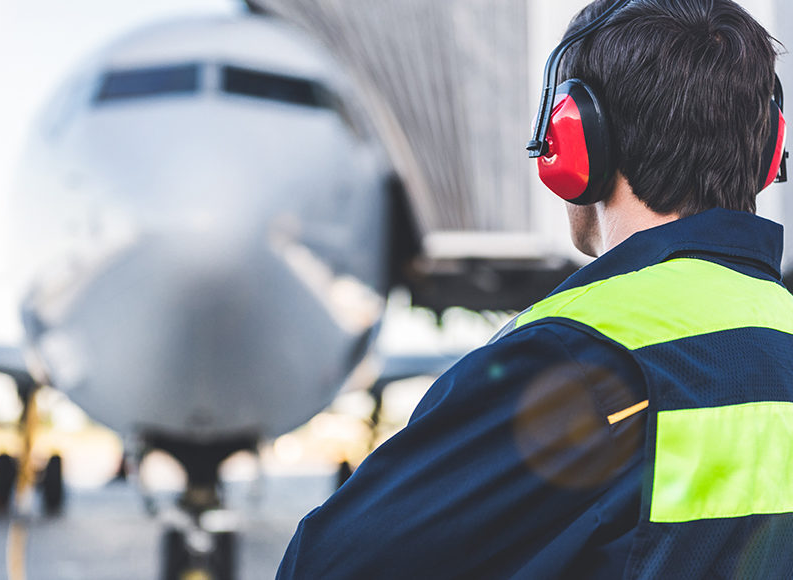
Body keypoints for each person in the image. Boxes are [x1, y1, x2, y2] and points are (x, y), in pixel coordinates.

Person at [277, 0, 793, 577]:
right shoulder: (779, 333)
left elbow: (325, 565)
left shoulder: (582, 354)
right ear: (770, 147)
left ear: (575, 140)